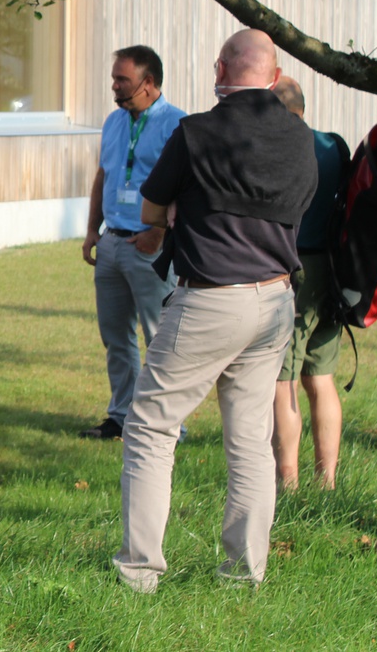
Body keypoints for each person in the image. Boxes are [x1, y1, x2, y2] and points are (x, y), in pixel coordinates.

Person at [115, 29, 315, 593]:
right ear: (275, 76)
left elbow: (150, 209)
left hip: (210, 297)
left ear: (219, 70)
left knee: (150, 426)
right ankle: (244, 575)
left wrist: (182, 208)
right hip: (275, 300)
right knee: (250, 441)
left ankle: (139, 572)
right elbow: (295, 207)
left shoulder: (195, 131)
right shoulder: (299, 138)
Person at [79, 46, 186, 440]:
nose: (114, 86)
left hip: (150, 247)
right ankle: (122, 415)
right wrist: (93, 229)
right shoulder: (113, 121)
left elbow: (184, 188)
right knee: (116, 337)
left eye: (122, 79)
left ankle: (167, 424)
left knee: (160, 338)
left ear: (148, 83)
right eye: (114, 78)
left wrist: (159, 233)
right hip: (112, 243)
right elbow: (104, 175)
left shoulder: (178, 125)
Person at [269, 76, 347, 490]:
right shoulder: (334, 146)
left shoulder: (280, 149)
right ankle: (327, 480)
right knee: (320, 377)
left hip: (292, 269)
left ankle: (288, 481)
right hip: (331, 270)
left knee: (282, 379)